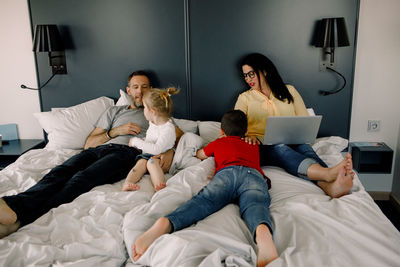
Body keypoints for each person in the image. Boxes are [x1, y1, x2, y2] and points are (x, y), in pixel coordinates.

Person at [0, 70, 181, 239]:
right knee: (60, 171)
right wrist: (115, 132)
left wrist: (169, 152)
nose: (140, 91)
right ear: (128, 90)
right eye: (135, 87)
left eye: (144, 87)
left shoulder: (156, 114)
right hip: (98, 149)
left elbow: (175, 136)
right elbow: (89, 143)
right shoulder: (114, 111)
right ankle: (14, 207)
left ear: (151, 90)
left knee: (82, 178)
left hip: (125, 153)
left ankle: (19, 217)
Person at [132, 110, 278, 267]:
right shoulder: (253, 144)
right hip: (252, 175)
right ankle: (263, 233)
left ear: (221, 131)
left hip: (226, 174)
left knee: (204, 201)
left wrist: (212, 146)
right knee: (255, 204)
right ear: (246, 131)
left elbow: (200, 154)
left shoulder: (218, 143)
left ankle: (167, 222)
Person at [235, 52, 354, 198]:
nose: (248, 79)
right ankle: (328, 173)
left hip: (293, 140)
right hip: (262, 147)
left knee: (305, 148)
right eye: (245, 75)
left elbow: (304, 119)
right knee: (280, 147)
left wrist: (301, 133)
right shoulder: (245, 98)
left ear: (264, 71)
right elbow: (235, 125)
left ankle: (330, 187)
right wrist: (249, 135)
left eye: (251, 74)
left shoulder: (289, 90)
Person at [122, 87, 180, 192]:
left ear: (152, 111)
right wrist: (143, 141)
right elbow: (150, 139)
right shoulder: (153, 123)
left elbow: (157, 149)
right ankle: (128, 182)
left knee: (151, 163)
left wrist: (136, 142)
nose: (143, 110)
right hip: (149, 154)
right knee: (140, 163)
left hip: (161, 157)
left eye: (144, 107)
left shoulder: (168, 129)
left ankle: (159, 185)